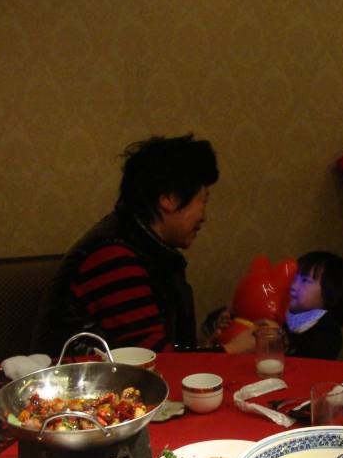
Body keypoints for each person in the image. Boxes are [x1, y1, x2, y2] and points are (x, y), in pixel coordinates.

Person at [35, 134, 255, 356]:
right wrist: (232, 350)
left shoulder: (147, 246)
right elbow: (154, 362)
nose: (204, 216)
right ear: (169, 198)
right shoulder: (114, 256)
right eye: (203, 200)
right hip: (76, 379)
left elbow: (157, 347)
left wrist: (211, 346)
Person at [284, 251, 343, 359]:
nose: (293, 285)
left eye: (304, 280)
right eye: (293, 278)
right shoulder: (283, 316)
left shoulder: (327, 330)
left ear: (329, 294)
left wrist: (283, 342)